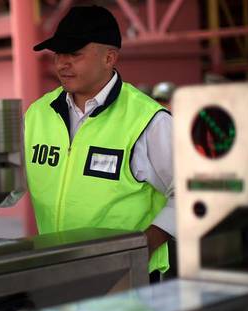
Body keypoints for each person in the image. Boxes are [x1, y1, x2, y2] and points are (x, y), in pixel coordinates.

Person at [27, 6, 174, 277]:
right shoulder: (37, 114)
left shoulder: (148, 121)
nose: (62, 63)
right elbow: (8, 182)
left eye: (74, 53)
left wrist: (142, 248)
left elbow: (190, 193)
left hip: (127, 282)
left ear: (109, 57)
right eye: (59, 53)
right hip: (57, 274)